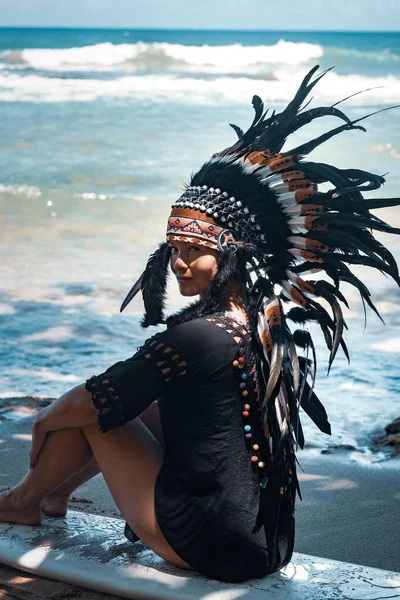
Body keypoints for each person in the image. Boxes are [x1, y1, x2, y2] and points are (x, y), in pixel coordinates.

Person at [0, 65, 399, 583]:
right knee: (141, 403)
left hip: (207, 542)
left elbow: (92, 399)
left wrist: (42, 419)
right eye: (174, 250)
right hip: (266, 544)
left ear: (231, 254)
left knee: (98, 408)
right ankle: (52, 495)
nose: (179, 263)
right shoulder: (260, 323)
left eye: (196, 251)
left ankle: (22, 501)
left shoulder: (196, 337)